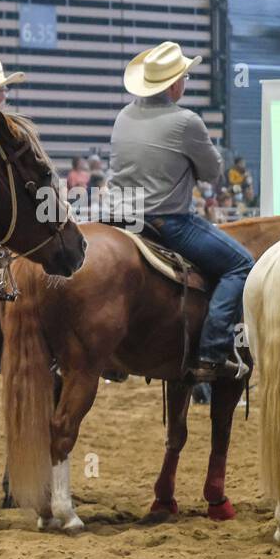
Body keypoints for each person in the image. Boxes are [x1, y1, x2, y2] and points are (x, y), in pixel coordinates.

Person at [108, 40, 250, 380]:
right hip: (166, 221)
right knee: (241, 264)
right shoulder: (186, 121)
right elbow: (213, 173)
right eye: (184, 76)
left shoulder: (124, 115)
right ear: (175, 84)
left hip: (116, 219)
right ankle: (213, 351)